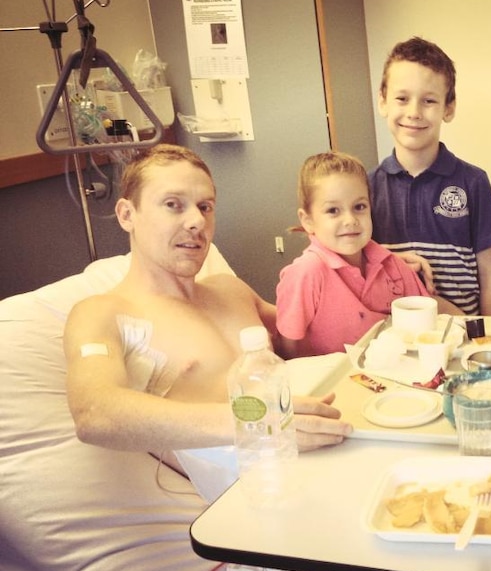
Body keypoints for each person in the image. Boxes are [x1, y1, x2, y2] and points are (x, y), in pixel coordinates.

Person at [63, 144, 353, 462]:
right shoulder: (101, 313)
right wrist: (255, 422)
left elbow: (313, 335)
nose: (197, 221)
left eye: (205, 206)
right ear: (127, 215)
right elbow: (95, 414)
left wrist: (379, 273)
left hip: (323, 450)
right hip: (247, 487)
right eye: (173, 204)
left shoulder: (231, 291)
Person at [369, 36, 491, 316]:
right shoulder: (366, 187)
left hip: (463, 338)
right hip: (393, 337)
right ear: (383, 101)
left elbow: (490, 271)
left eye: (429, 101)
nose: (414, 112)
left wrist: (488, 336)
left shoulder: (474, 182)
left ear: (449, 108)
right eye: (402, 98)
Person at [275, 151, 461, 358]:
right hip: (327, 385)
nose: (350, 219)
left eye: (359, 207)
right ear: (308, 220)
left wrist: (476, 327)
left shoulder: (391, 265)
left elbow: (428, 306)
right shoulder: (306, 273)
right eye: (333, 211)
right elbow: (288, 351)